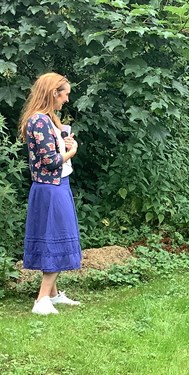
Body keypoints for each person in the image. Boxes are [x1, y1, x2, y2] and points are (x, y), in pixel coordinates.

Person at [18, 72, 82, 314]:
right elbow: (51, 162)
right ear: (53, 92)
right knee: (56, 238)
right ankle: (42, 299)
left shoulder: (48, 119)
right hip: (50, 187)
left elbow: (53, 152)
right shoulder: (38, 121)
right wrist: (71, 152)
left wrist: (64, 142)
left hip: (57, 186)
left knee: (56, 237)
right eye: (64, 94)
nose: (66, 99)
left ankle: (52, 295)